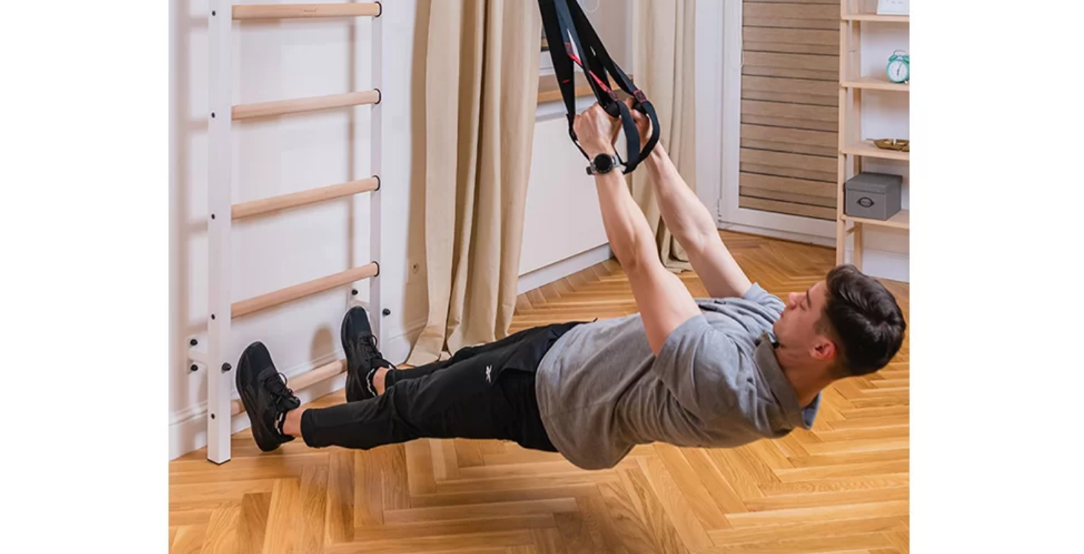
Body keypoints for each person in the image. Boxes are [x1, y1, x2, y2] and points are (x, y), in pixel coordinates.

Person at [237, 103, 906, 470]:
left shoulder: (731, 387)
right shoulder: (780, 343)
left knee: (412, 417)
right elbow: (700, 239)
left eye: (807, 304)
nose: (791, 297)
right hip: (579, 349)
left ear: (823, 350)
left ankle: (283, 423)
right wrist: (653, 150)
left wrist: (602, 157)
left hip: (553, 399)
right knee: (460, 365)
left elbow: (642, 261)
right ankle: (377, 378)